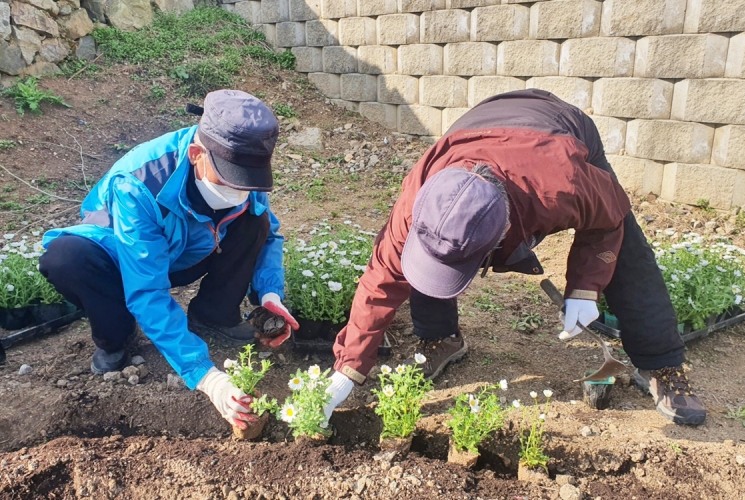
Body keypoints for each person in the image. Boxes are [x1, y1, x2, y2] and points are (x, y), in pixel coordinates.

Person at [322, 89, 707, 426]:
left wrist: (586, 289)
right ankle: (440, 339)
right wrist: (348, 369)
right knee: (427, 258)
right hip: (475, 129)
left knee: (629, 255)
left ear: (503, 234)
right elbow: (380, 282)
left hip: (559, 130)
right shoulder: (419, 198)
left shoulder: (562, 186)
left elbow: (609, 222)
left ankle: (663, 365)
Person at [38, 89, 299, 430]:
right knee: (65, 258)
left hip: (191, 250)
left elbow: (270, 235)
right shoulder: (138, 183)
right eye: (229, 181)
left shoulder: (245, 173)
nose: (238, 192)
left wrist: (270, 295)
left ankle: (213, 315)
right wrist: (206, 376)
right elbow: (147, 289)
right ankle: (116, 335)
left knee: (256, 221)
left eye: (248, 184)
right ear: (196, 154)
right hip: (123, 259)